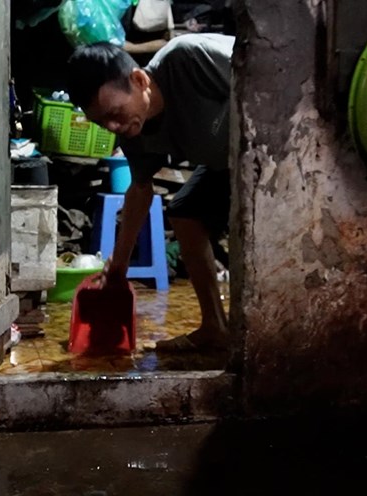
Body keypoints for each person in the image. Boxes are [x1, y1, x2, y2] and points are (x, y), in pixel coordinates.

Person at [66, 33, 234, 352]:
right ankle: (215, 327)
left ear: (139, 80)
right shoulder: (135, 132)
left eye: (115, 113)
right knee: (185, 212)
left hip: (273, 151)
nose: (113, 127)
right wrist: (119, 266)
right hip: (226, 166)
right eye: (102, 122)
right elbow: (140, 189)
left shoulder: (188, 58)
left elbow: (270, 79)